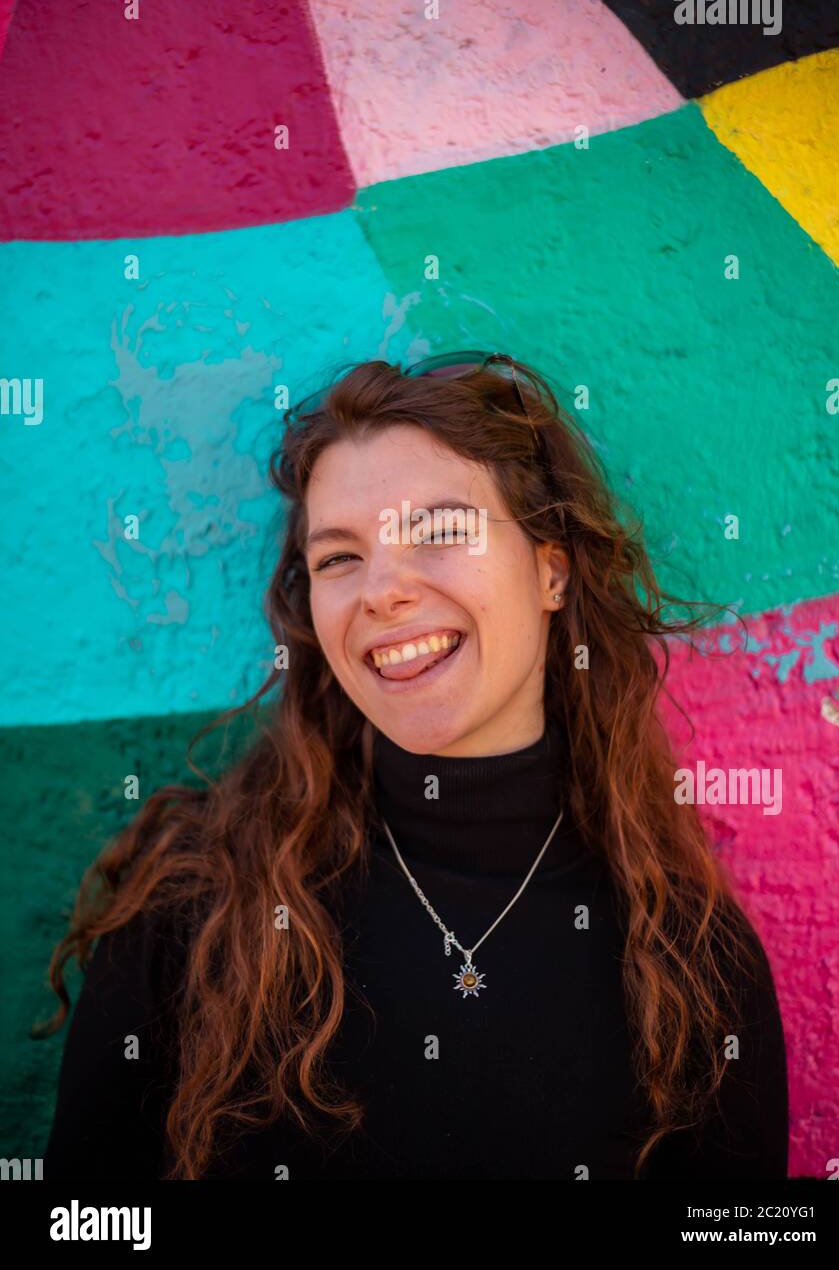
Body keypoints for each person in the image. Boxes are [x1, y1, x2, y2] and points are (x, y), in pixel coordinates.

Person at [36, 352, 789, 1180]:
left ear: (551, 568)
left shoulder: (692, 961)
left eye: (439, 533)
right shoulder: (190, 905)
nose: (383, 591)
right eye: (338, 558)